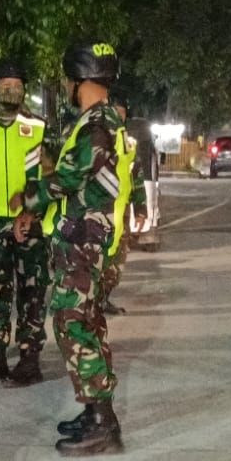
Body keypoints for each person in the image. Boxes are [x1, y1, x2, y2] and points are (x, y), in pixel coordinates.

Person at [12, 40, 134, 455]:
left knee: (73, 323)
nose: (65, 86)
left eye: (67, 80)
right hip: (85, 237)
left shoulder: (97, 125)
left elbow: (68, 178)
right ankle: (96, 411)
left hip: (84, 241)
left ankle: (102, 423)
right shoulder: (100, 121)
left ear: (79, 79)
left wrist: (28, 199)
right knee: (87, 323)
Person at [0, 57, 51, 387]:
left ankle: (29, 359)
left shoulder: (39, 127)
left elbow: (51, 177)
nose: (13, 90)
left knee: (32, 293)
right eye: (6, 84)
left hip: (30, 226)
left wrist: (33, 212)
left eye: (18, 85)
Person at [97, 90, 148, 317]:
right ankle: (89, 304)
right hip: (98, 211)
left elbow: (136, 177)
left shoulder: (129, 144)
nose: (119, 117)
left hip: (122, 213)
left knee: (117, 263)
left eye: (122, 113)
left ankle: (103, 299)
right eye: (115, 112)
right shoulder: (96, 138)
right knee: (95, 260)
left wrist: (141, 209)